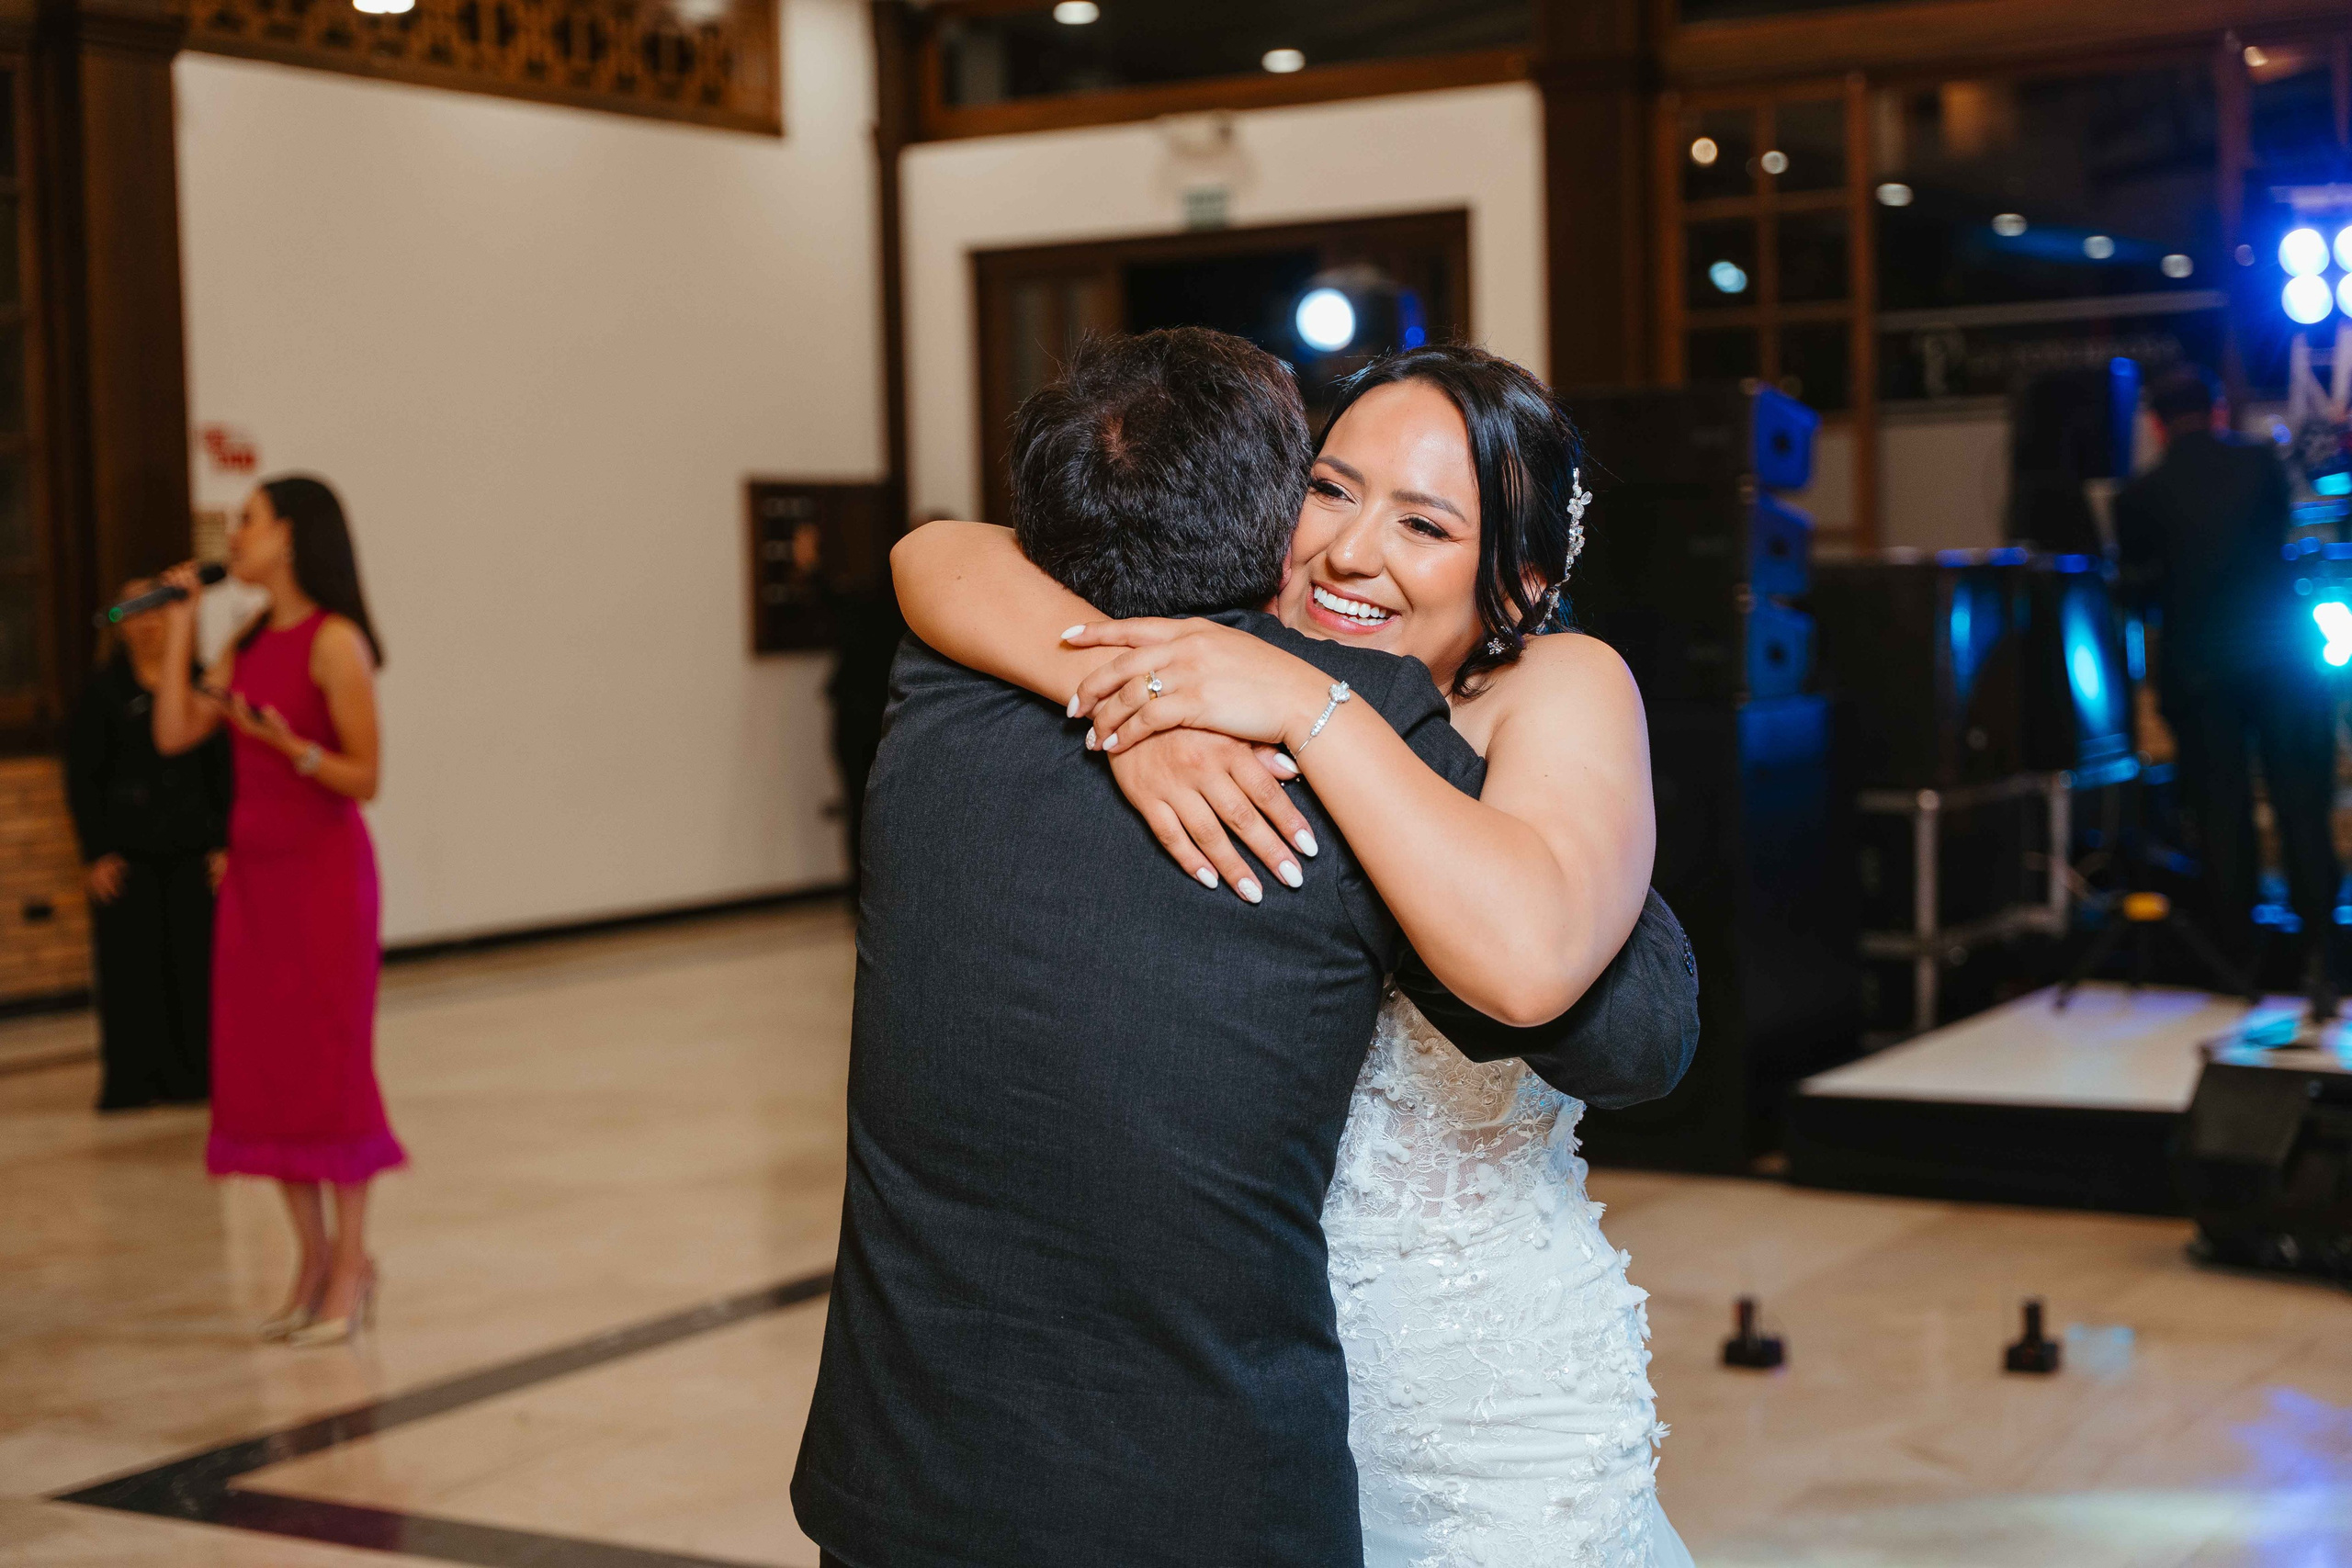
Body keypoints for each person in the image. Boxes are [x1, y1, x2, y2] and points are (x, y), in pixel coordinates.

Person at [794, 329, 1695, 1568]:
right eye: (1330, 488)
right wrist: (1140, 708)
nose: (1349, 548)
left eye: (1425, 525)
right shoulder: (1190, 666)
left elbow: (1548, 966)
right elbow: (938, 552)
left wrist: (1307, 708)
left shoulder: (1556, 684)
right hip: (1227, 1393)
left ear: (1523, 579)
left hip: (1461, 1381)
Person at [152, 475, 403, 1348]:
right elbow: (175, 731)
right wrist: (183, 617)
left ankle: (354, 1263)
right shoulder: (247, 637)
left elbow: (364, 777)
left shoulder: (336, 643)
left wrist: (286, 745)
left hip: (323, 879)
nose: (235, 534)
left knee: (329, 1065)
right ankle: (311, 1258)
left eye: (247, 520)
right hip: (255, 881)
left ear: (292, 536)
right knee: (267, 1066)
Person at [2115, 367, 2343, 1016]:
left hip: (2202, 670)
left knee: (2222, 815)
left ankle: (2237, 963)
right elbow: (2284, 544)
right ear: (2218, 411)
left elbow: (2139, 593)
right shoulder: (2260, 465)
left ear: (2155, 423)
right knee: (2302, 803)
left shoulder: (2139, 495)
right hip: (2278, 657)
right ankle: (2322, 955)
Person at [65, 581, 233, 1111]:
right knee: (129, 972)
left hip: (192, 851)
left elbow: (223, 772)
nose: (147, 622)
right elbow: (82, 780)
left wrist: (225, 844)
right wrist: (95, 853)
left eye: (156, 609)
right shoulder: (100, 694)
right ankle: (131, 1081)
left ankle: (193, 1077)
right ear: (121, 622)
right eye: (134, 610)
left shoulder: (201, 683)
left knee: (194, 966)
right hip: (127, 854)